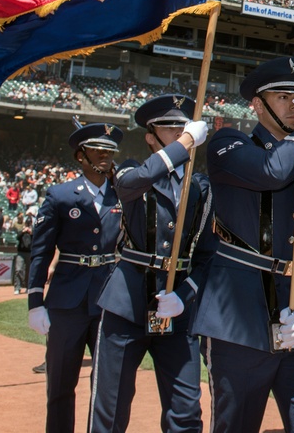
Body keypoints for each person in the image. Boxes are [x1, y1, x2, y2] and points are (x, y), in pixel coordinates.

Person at [192, 56, 294, 433]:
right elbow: (271, 171)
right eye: (282, 96)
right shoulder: (229, 143)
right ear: (257, 104)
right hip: (239, 323)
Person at [89, 95, 216, 433]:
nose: (180, 132)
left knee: (186, 410)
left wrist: (186, 293)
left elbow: (206, 255)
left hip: (177, 310)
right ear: (150, 136)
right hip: (126, 304)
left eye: (184, 127)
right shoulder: (131, 170)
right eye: (171, 127)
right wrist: (186, 143)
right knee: (110, 407)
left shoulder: (201, 186)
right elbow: (132, 184)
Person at [28, 122, 124, 433]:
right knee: (60, 383)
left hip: (109, 298)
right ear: (79, 156)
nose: (104, 155)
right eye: (97, 149)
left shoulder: (124, 195)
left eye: (109, 150)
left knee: (108, 385)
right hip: (66, 300)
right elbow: (41, 251)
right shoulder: (60, 195)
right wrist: (34, 302)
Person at [12, 213, 34, 295]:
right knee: (18, 270)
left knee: (29, 271)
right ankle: (17, 287)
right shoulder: (22, 229)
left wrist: (31, 233)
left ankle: (28, 287)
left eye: (29, 223)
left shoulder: (33, 231)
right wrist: (23, 231)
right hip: (21, 252)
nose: (28, 224)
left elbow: (37, 239)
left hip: (29, 252)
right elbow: (17, 237)